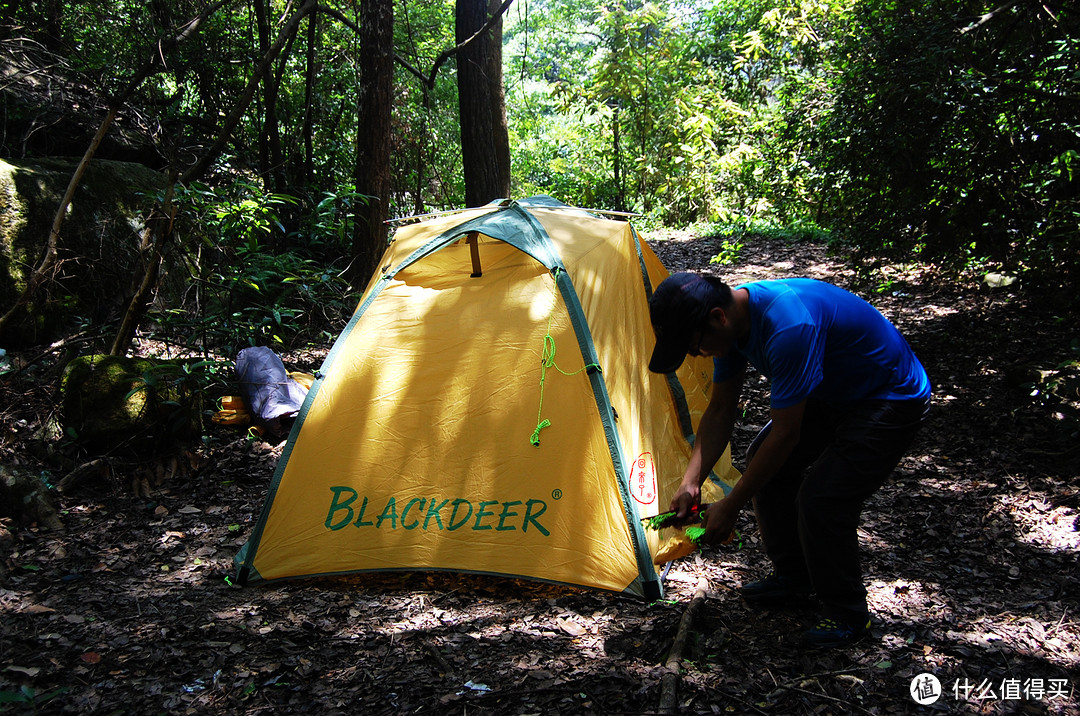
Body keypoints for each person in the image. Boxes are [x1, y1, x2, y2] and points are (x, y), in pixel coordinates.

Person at [648, 272, 931, 648]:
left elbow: (786, 436)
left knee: (822, 500)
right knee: (767, 468)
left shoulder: (789, 327)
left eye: (695, 344)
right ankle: (795, 577)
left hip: (889, 397)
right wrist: (691, 481)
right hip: (833, 389)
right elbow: (719, 411)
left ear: (718, 318)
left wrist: (731, 505)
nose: (697, 353)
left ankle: (849, 615)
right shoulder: (732, 327)